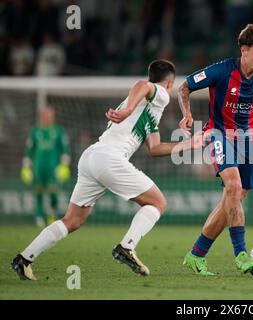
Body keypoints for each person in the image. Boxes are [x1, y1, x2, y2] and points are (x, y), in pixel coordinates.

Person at [11, 60, 204, 280]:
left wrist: (191, 144)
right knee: (158, 203)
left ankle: (24, 258)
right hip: (110, 159)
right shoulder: (160, 93)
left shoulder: (148, 111)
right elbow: (143, 85)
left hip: (91, 157)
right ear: (169, 83)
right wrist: (128, 110)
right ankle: (127, 247)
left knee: (72, 221)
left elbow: (155, 148)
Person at [178, 24, 253, 275]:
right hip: (219, 134)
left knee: (232, 200)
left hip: (248, 139)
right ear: (244, 51)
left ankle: (196, 254)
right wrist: (187, 114)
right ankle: (241, 255)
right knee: (233, 187)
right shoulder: (222, 70)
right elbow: (185, 87)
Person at [21, 106, 71, 227]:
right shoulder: (35, 131)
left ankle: (52, 214)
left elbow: (65, 149)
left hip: (54, 168)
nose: (48, 118)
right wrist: (26, 166)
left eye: (50, 116)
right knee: (38, 192)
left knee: (53, 192)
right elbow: (29, 150)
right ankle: (39, 216)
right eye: (46, 116)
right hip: (38, 167)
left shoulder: (58, 131)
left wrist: (64, 164)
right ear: (41, 116)